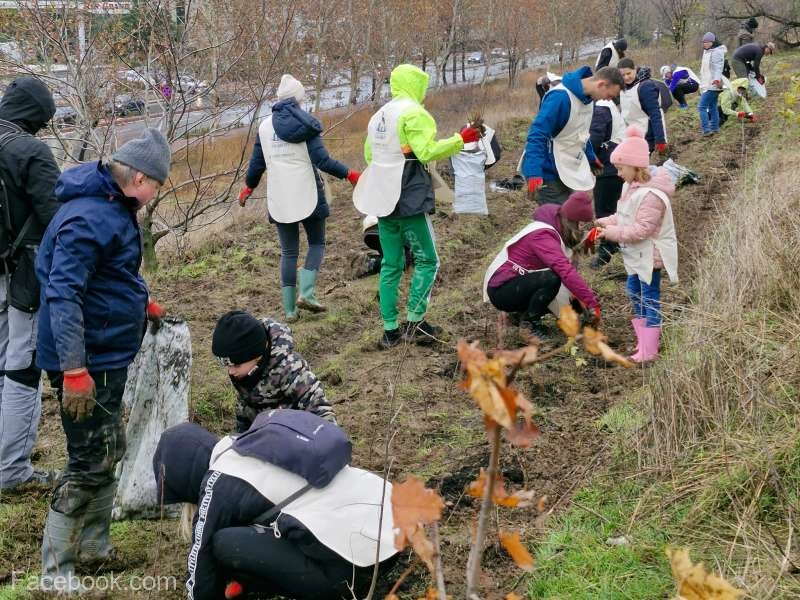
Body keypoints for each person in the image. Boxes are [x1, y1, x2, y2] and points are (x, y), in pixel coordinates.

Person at [36, 128, 171, 590]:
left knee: (110, 447)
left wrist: (142, 302)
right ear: (139, 178)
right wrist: (74, 370)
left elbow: (111, 273)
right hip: (86, 358)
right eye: (157, 185)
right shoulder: (89, 217)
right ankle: (55, 573)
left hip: (107, 349)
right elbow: (63, 292)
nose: (155, 195)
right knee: (87, 461)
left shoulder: (115, 206)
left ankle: (94, 546)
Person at [153, 418, 397, 600]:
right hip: (392, 534)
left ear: (183, 477)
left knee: (223, 543)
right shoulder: (247, 442)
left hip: (350, 575)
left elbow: (200, 567)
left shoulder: (218, 480)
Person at [352, 64, 480, 349]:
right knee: (428, 260)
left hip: (383, 200)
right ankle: (415, 322)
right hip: (408, 197)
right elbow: (427, 151)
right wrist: (460, 140)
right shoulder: (414, 113)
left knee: (391, 264)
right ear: (416, 85)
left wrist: (397, 155)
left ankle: (390, 330)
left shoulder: (379, 115)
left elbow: (370, 155)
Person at [238, 74, 360, 322]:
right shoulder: (306, 124)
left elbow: (257, 165)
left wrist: (248, 188)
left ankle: (290, 310)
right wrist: (349, 174)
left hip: (279, 197)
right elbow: (322, 161)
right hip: (308, 193)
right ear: (299, 99)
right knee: (316, 243)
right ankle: (306, 293)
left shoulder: (264, 127)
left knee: (288, 251)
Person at [0, 77, 61, 491]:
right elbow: (57, 218)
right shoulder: (31, 152)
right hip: (25, 275)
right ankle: (12, 471)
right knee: (23, 368)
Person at [596, 126, 678, 363]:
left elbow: (642, 229)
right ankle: (643, 341)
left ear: (635, 166)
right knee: (634, 292)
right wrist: (605, 222)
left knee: (649, 298)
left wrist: (613, 233)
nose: (618, 173)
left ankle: (649, 349)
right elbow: (625, 216)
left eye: (620, 168)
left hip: (649, 255)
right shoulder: (630, 187)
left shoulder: (651, 194)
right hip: (636, 255)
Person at [483, 191, 601, 338]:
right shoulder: (543, 235)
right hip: (502, 288)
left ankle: (520, 316)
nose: (580, 231)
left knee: (572, 303)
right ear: (571, 222)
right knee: (551, 279)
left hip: (517, 282)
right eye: (579, 226)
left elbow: (568, 271)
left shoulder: (555, 225)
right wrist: (591, 303)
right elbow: (565, 271)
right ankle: (528, 325)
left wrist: (581, 301)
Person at [211, 310, 335, 432]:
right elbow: (245, 407)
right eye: (227, 366)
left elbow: (319, 408)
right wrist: (241, 437)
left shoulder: (289, 368)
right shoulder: (246, 373)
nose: (231, 371)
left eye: (236, 365)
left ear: (256, 356)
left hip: (297, 434)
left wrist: (326, 439)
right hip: (266, 433)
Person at [521, 66, 624, 205]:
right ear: (601, 84)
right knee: (558, 215)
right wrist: (534, 171)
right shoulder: (560, 97)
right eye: (609, 95)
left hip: (568, 165)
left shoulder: (589, 101)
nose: (608, 100)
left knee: (571, 211)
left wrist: (591, 157)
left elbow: (580, 132)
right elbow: (537, 134)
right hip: (548, 169)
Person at [589, 98, 625, 267]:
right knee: (615, 209)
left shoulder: (601, 108)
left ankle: (606, 252)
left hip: (606, 168)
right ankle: (616, 244)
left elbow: (595, 139)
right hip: (615, 165)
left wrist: (586, 157)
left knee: (604, 212)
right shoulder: (609, 106)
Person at [618, 59, 668, 154]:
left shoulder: (646, 87)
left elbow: (655, 114)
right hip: (633, 134)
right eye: (622, 75)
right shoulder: (623, 88)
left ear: (635, 69)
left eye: (628, 73)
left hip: (648, 134)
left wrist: (660, 140)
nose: (626, 77)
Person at [698, 32, 728, 136]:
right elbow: (705, 69)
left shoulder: (716, 52)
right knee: (712, 107)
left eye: (707, 42)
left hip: (713, 84)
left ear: (713, 42)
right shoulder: (707, 51)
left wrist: (716, 80)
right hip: (707, 84)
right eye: (704, 42)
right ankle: (715, 128)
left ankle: (706, 130)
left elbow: (718, 67)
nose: (705, 44)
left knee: (701, 107)